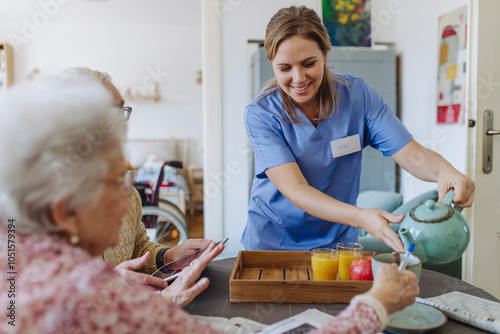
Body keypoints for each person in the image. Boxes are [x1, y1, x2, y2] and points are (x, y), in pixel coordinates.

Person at [0, 76, 419, 333]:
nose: (131, 192)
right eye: (116, 181)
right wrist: (375, 305)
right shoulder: (89, 296)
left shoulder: (15, 246)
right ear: (62, 210)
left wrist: (161, 257)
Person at [242, 6, 475, 252]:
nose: (298, 78)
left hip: (338, 240)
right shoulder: (261, 114)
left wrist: (445, 171)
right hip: (274, 241)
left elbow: (410, 154)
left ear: (325, 55)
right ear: (272, 64)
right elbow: (297, 190)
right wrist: (362, 217)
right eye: (285, 68)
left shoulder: (358, 97)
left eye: (308, 63)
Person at [59, 67, 211, 294]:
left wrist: (169, 256)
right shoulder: (36, 200)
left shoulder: (125, 188)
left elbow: (137, 245)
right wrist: (108, 284)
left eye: (120, 111)